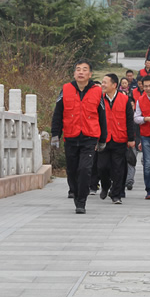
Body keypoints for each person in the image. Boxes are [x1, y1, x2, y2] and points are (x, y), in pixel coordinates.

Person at [50, 59, 107, 214]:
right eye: (78, 69)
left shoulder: (97, 91)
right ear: (74, 73)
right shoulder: (66, 89)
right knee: (72, 170)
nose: (81, 72)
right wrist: (55, 134)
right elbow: (58, 113)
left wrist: (102, 139)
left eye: (84, 69)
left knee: (85, 169)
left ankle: (81, 201)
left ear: (90, 74)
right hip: (71, 136)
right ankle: (75, 192)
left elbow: (102, 116)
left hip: (89, 137)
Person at [98, 73, 135, 205]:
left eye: (105, 82)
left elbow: (129, 120)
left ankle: (116, 194)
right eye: (102, 82)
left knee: (118, 168)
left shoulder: (124, 99)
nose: (102, 85)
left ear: (114, 85)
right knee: (102, 167)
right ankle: (105, 185)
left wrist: (131, 138)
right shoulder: (99, 99)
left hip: (120, 138)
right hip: (103, 139)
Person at [134, 75, 150, 199]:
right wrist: (146, 119)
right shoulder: (140, 100)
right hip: (146, 136)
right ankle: (149, 189)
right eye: (145, 86)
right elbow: (136, 118)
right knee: (148, 164)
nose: (148, 88)